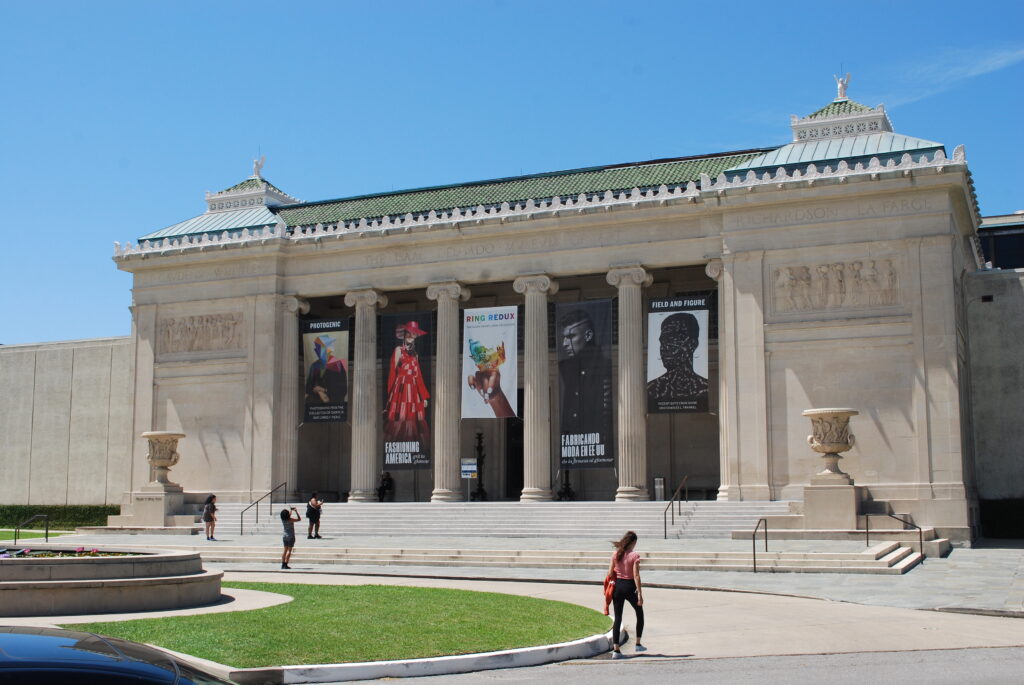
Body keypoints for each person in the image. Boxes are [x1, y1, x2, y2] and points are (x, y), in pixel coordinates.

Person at [557, 309, 612, 437]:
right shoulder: (564, 368)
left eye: (571, 337)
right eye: (564, 337)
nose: (564, 344)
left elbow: (605, 418)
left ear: (588, 336)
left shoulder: (605, 367)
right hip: (572, 447)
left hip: (597, 449)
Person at [647, 312, 709, 412]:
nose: (664, 347)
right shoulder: (652, 390)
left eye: (672, 339)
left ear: (692, 344)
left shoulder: (704, 388)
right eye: (662, 342)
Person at [384, 321, 430, 443]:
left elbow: (418, 376)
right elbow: (392, 373)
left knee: (413, 418)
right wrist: (389, 397)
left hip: (414, 390)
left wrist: (424, 396)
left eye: (413, 334)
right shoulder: (398, 350)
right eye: (408, 333)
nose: (411, 336)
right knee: (400, 418)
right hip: (400, 389)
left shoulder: (416, 355)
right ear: (404, 334)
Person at [608, 530, 645, 658]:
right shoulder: (634, 556)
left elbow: (609, 573)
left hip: (618, 586)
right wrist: (639, 593)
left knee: (618, 618)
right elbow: (636, 575)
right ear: (633, 542)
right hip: (630, 586)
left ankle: (616, 650)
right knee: (639, 612)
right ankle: (638, 643)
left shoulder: (616, 554)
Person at [305, 335, 348, 405]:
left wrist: (324, 390)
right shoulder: (314, 365)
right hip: (316, 405)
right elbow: (308, 388)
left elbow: (343, 389)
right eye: (317, 347)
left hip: (334, 405)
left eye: (321, 347)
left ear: (329, 349)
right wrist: (319, 392)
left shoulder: (338, 364)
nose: (318, 350)